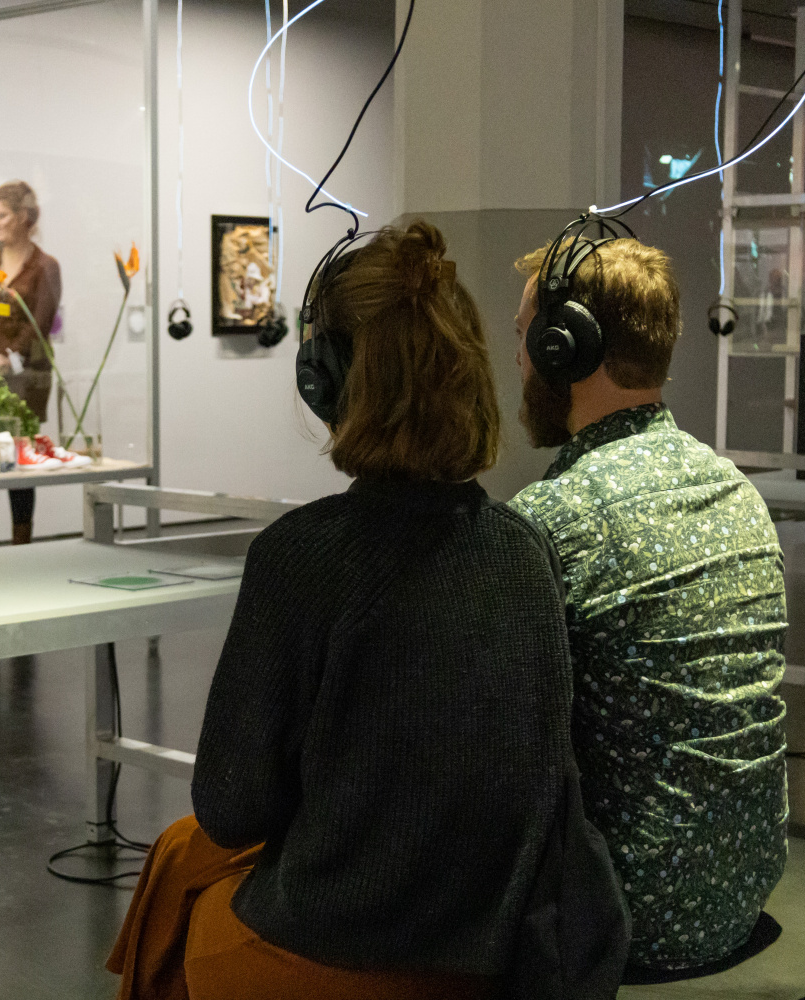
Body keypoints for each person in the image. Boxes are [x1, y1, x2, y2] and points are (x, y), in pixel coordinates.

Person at [107, 222, 630, 1000]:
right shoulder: (527, 550)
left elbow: (230, 804)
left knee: (177, 880)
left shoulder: (300, 558)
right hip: (493, 962)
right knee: (183, 857)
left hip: (335, 955)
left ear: (325, 380)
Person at [506, 236, 788, 971]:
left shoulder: (554, 517)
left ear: (567, 347)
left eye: (524, 337)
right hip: (742, 889)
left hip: (627, 918)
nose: (519, 360)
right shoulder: (736, 490)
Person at [0, 180, 62, 545]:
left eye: (1, 216)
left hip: (26, 379)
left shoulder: (45, 267)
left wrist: (7, 358)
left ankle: (21, 545)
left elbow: (41, 323)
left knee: (17, 466)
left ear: (22, 217)